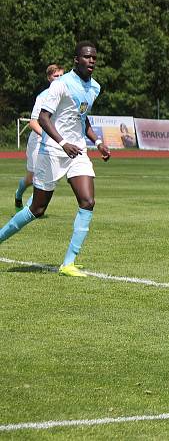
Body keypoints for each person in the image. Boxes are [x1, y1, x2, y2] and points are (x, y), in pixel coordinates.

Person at [0, 42, 111, 277]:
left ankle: (68, 263)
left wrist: (98, 142)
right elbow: (43, 118)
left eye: (94, 58)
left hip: (77, 151)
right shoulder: (61, 85)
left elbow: (83, 119)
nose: (91, 61)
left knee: (88, 201)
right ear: (76, 60)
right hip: (52, 150)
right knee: (37, 208)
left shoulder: (95, 88)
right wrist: (62, 143)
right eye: (86, 57)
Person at [14, 64, 65, 211]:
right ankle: (18, 195)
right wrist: (46, 135)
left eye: (62, 76)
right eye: (56, 76)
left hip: (54, 141)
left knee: (46, 176)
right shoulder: (43, 96)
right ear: (49, 78)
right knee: (31, 179)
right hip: (38, 140)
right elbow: (33, 122)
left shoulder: (66, 96)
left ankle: (32, 208)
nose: (59, 79)